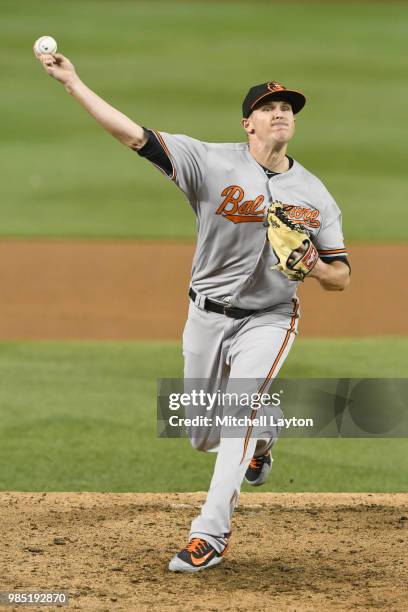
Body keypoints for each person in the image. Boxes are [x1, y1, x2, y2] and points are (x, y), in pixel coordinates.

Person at [35, 50, 350, 573]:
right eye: (269, 106)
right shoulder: (208, 161)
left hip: (270, 319)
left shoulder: (315, 194)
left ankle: (209, 534)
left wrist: (315, 267)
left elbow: (342, 276)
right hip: (205, 316)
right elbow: (131, 134)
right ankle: (265, 432)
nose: (280, 113)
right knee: (202, 433)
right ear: (247, 122)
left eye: (288, 107)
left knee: (234, 416)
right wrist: (73, 82)